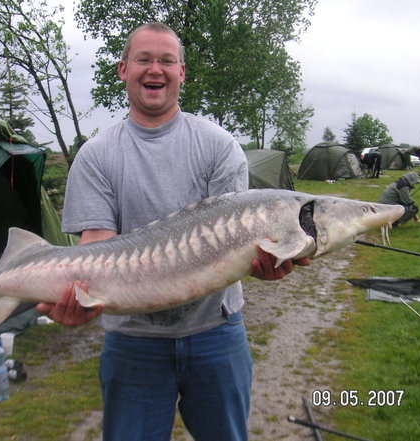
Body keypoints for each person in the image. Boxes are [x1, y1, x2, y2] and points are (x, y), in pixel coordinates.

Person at [37, 23, 309, 441]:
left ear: (182, 73)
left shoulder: (218, 146)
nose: (155, 69)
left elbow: (238, 242)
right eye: (144, 59)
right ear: (123, 69)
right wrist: (80, 295)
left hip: (217, 334)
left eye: (167, 60)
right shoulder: (96, 156)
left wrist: (265, 262)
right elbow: (97, 247)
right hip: (132, 341)